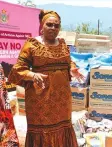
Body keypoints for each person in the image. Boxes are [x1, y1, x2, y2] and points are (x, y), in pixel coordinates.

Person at [8, 10, 83, 147]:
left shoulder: (62, 44)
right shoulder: (32, 45)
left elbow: (68, 61)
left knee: (63, 127)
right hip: (40, 100)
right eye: (49, 25)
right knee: (42, 131)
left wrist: (72, 69)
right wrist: (33, 75)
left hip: (62, 100)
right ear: (42, 26)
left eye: (57, 26)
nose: (53, 28)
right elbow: (17, 70)